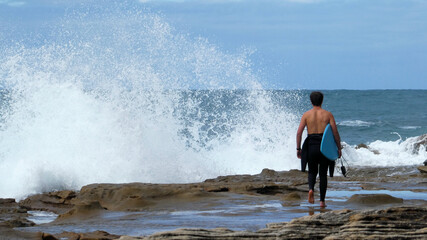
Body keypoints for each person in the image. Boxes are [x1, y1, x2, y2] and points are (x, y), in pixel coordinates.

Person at [296, 91, 342, 208]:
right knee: (322, 174)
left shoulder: (306, 115)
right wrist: (338, 147)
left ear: (311, 101)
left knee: (312, 171)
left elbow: (299, 133)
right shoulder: (328, 115)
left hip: (311, 145)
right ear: (322, 101)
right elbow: (335, 132)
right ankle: (322, 201)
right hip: (324, 147)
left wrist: (298, 148)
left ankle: (311, 189)